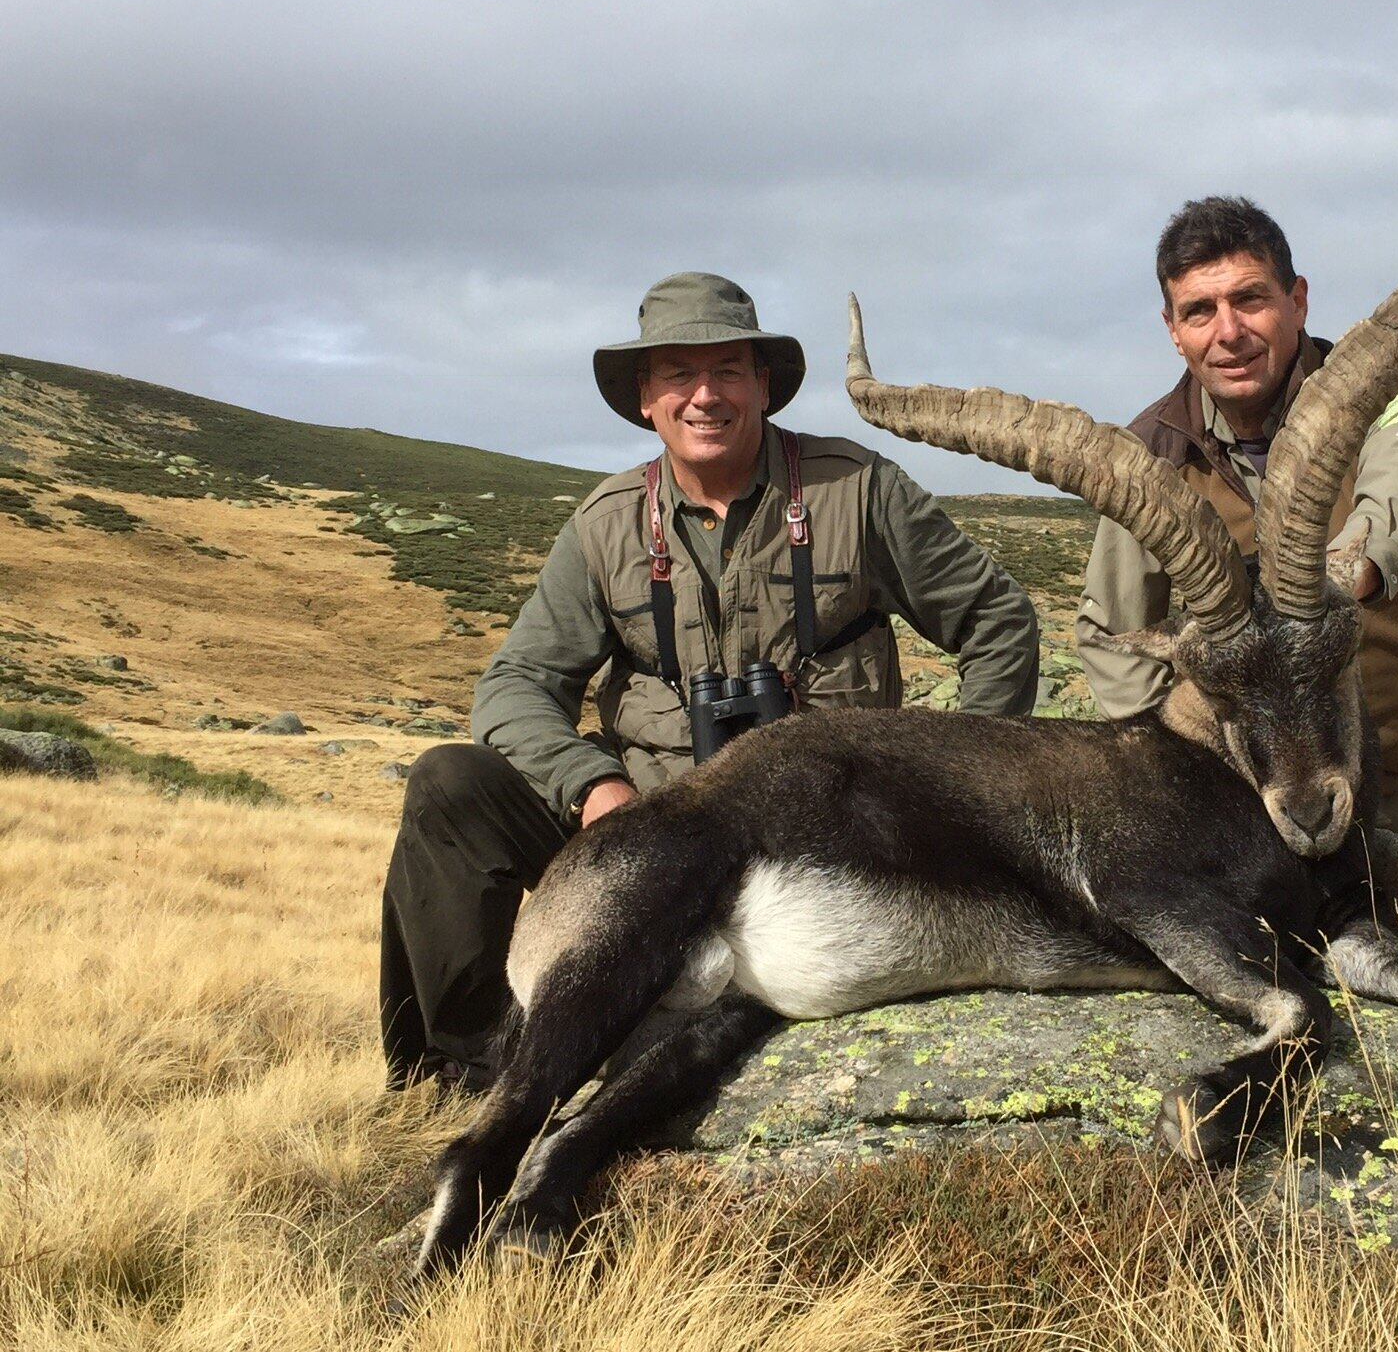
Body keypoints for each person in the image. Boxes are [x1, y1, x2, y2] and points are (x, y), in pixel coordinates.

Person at [381, 271, 1041, 1091]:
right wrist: (595, 789)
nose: (705, 396)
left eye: (728, 369)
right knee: (451, 784)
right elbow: (515, 685)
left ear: (763, 386)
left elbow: (999, 624)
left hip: (821, 859)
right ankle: (465, 1065)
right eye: (678, 375)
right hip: (642, 840)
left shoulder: (858, 490)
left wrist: (946, 795)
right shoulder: (603, 524)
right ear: (645, 398)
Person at [1075, 197, 1398, 959]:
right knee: (1286, 1004)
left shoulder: (1383, 391)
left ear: (1296, 299)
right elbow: (1111, 633)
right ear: (1172, 330)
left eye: (1250, 299)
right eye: (1198, 310)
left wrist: (1346, 572)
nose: (1227, 331)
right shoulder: (1147, 459)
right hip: (1253, 802)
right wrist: (1184, 778)